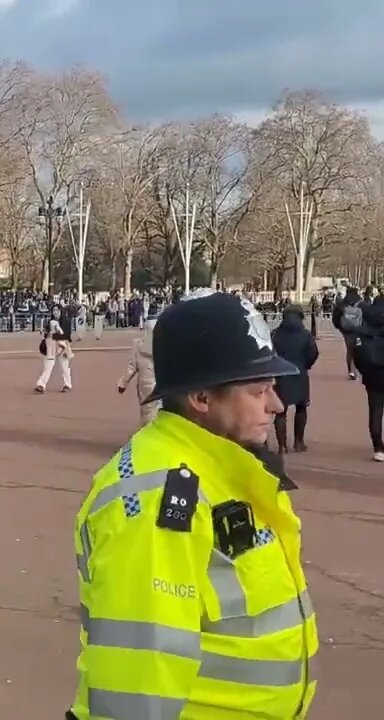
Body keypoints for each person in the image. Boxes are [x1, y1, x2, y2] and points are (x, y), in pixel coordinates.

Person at [68, 290, 318, 719]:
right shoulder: (156, 499)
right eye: (258, 390)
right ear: (201, 399)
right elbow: (137, 691)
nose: (276, 404)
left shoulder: (224, 464)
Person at [271, 306, 319, 453]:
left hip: (281, 374)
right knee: (301, 408)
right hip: (299, 372)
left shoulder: (275, 334)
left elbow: (269, 353)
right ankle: (298, 442)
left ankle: (282, 445)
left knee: (280, 411)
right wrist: (306, 365)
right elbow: (313, 353)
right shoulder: (305, 335)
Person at [347, 292, 384, 461]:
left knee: (375, 411)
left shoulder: (363, 328)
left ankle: (378, 447)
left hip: (373, 375)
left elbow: (357, 355)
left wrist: (365, 372)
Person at [116, 317, 157, 425]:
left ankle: (147, 434)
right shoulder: (167, 345)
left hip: (146, 383)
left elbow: (131, 368)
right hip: (164, 382)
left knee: (147, 412)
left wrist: (123, 383)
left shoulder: (138, 345)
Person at [35, 304, 73, 393]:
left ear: (61, 311)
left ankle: (67, 384)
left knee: (64, 367)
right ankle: (41, 384)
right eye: (54, 310)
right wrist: (44, 333)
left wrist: (53, 335)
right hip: (52, 347)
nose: (55, 312)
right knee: (48, 367)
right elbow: (46, 334)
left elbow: (67, 335)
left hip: (63, 346)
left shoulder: (67, 321)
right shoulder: (50, 322)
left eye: (57, 310)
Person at [332, 286, 363, 379]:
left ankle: (351, 370)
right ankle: (356, 368)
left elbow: (335, 317)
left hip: (346, 330)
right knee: (357, 349)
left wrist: (340, 327)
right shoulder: (361, 303)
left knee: (349, 350)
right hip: (358, 330)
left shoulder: (342, 304)